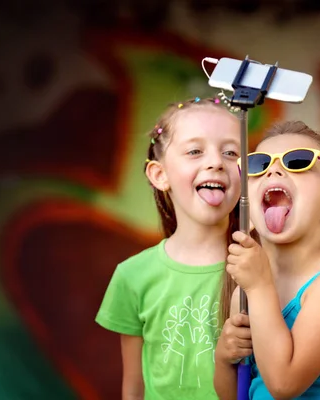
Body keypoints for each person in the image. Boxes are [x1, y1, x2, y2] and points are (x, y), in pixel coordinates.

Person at [96, 96, 249, 399]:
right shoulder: (132, 275)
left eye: (231, 152)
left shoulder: (258, 267)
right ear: (159, 174)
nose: (216, 162)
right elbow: (133, 386)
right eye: (195, 151)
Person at [214, 121, 320, 399]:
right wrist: (223, 359)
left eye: (298, 161)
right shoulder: (246, 291)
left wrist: (259, 287)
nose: (273, 170)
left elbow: (284, 384)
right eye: (258, 165)